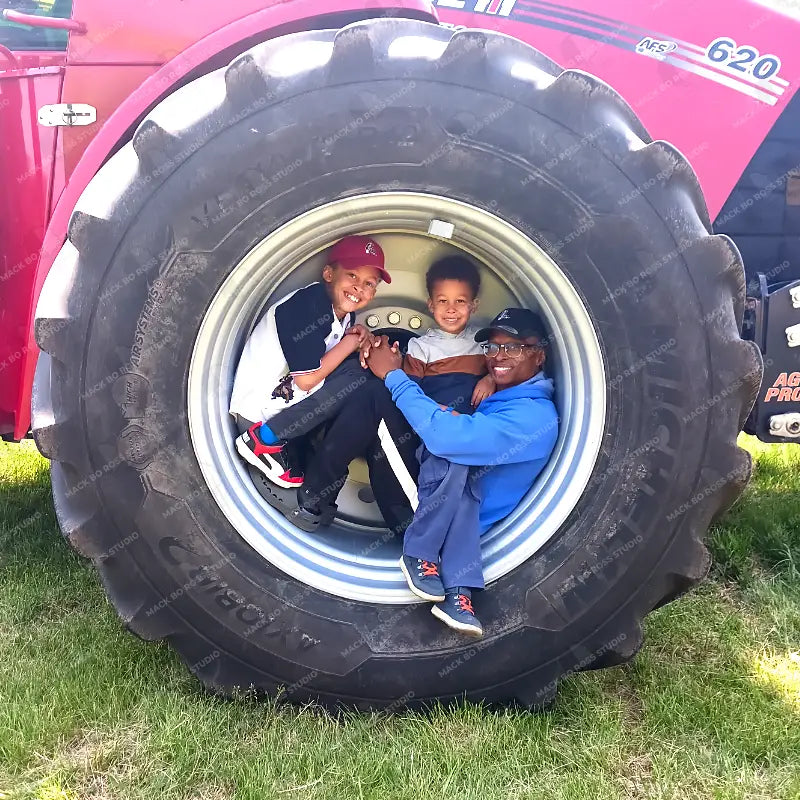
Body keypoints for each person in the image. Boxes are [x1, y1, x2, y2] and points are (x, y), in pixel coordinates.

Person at [363, 308, 559, 636]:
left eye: (512, 348)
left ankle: (312, 488)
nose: (499, 356)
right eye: (493, 348)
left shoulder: (533, 419)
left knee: (376, 395)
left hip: (436, 517)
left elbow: (448, 438)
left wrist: (394, 376)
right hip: (449, 500)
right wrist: (489, 378)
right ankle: (458, 594)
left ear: (539, 356)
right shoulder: (509, 393)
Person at [230, 235, 390, 490]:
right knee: (358, 377)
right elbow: (305, 380)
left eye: (370, 283)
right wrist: (351, 343)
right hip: (258, 413)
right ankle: (262, 441)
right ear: (328, 274)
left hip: (287, 408)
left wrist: (362, 338)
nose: (359, 287)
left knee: (363, 374)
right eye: (352, 275)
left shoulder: (344, 315)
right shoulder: (306, 305)